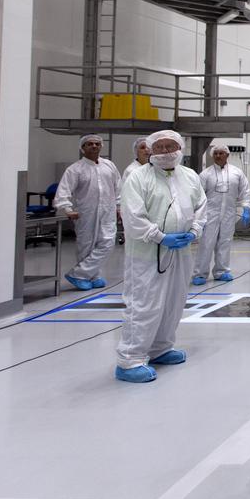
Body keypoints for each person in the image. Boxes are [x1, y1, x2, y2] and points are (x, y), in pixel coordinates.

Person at [114, 130, 206, 383]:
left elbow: (201, 205)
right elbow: (132, 215)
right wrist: (159, 236)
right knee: (144, 303)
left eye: (171, 146)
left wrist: (194, 230)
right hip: (147, 253)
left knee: (174, 301)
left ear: (181, 148)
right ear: (150, 150)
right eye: (160, 147)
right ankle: (130, 359)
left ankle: (160, 348)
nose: (166, 151)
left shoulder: (189, 176)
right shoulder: (138, 178)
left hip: (181, 251)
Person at [54, 134, 122, 290]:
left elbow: (118, 187)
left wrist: (119, 206)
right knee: (86, 245)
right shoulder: (75, 169)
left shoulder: (109, 166)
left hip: (108, 210)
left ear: (101, 146)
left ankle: (78, 274)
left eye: (97, 144)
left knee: (107, 242)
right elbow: (64, 191)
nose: (94, 146)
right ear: (82, 148)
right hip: (85, 212)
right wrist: (67, 209)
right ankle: (92, 276)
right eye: (89, 144)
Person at [193, 143, 250, 285]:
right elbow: (197, 196)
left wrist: (246, 208)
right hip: (210, 214)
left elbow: (245, 191)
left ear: (227, 155)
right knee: (206, 243)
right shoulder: (205, 174)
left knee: (225, 242)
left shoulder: (237, 173)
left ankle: (222, 271)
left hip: (229, 214)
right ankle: (200, 274)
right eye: (216, 153)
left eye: (221, 153)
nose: (218, 156)